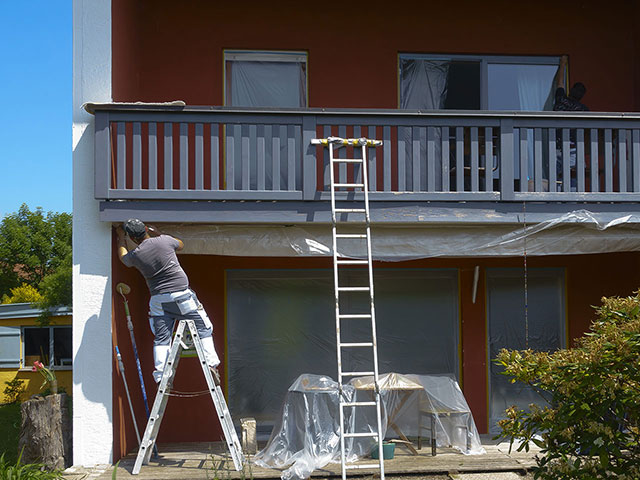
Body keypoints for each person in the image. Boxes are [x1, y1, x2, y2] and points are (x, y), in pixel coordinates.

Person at [116, 218, 221, 384]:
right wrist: (158, 233)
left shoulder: (136, 255)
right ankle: (211, 365)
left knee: (161, 338)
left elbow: (123, 257)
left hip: (158, 301)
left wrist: (120, 238)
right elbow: (181, 244)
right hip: (182, 296)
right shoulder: (165, 241)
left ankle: (161, 376)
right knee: (204, 328)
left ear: (133, 239)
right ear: (145, 228)